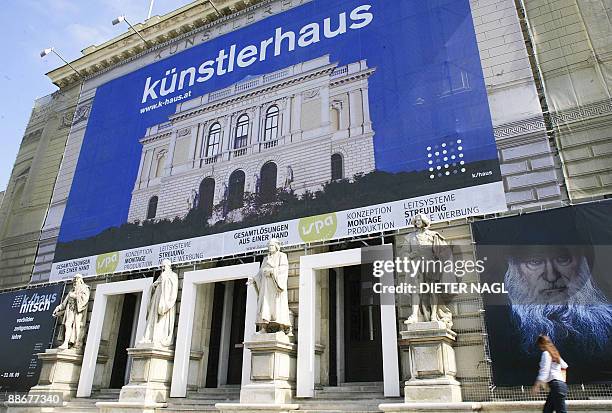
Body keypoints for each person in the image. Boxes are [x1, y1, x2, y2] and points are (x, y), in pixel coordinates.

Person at [505, 246, 612, 354]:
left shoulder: (607, 327)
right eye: (535, 262)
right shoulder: (502, 328)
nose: (551, 277)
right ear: (516, 270)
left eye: (563, 259)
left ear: (582, 264)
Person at [249, 239, 292, 334]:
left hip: (276, 286)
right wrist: (254, 279)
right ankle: (263, 328)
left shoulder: (282, 256)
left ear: (277, 246)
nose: (270, 248)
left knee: (278, 305)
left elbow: (284, 269)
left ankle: (281, 328)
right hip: (266, 287)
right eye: (269, 246)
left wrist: (272, 271)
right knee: (265, 305)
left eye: (272, 245)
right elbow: (260, 273)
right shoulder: (265, 258)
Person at [140, 259, 179, 347]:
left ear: (169, 266)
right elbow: (155, 285)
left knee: (163, 320)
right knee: (152, 317)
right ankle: (150, 336)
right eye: (162, 267)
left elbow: (173, 289)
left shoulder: (173, 275)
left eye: (164, 266)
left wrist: (164, 280)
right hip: (157, 298)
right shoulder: (161, 275)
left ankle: (159, 337)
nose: (162, 268)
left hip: (164, 300)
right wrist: (154, 285)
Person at [52, 274, 90, 350]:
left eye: (77, 279)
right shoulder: (71, 290)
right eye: (74, 280)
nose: (75, 281)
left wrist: (75, 296)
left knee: (76, 327)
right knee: (67, 324)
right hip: (69, 311)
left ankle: (75, 343)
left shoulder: (85, 288)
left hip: (78, 311)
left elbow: (85, 300)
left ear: (80, 280)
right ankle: (66, 342)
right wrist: (58, 308)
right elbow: (64, 304)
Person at [532, 335, 568, 413]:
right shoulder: (555, 353)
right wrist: (562, 380)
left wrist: (537, 385)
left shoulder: (546, 353)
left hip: (556, 387)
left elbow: (544, 371)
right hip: (560, 386)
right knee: (547, 410)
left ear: (541, 344)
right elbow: (565, 366)